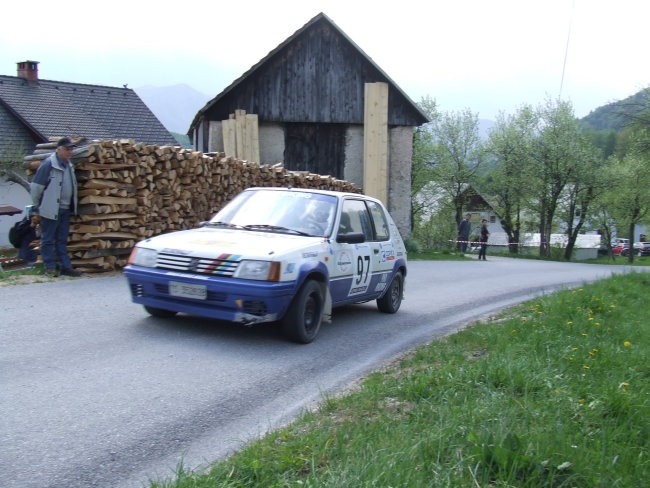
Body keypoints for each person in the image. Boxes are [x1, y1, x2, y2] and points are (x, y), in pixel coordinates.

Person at [30, 136, 82, 277]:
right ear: (59, 149)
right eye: (67, 149)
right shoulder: (49, 164)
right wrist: (36, 206)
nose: (70, 152)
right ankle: (50, 268)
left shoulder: (69, 165)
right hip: (51, 208)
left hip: (65, 208)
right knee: (48, 239)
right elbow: (36, 187)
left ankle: (66, 267)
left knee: (61, 239)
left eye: (71, 149)